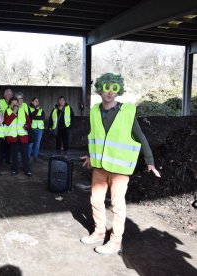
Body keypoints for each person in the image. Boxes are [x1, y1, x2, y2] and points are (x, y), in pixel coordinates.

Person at [80, 73, 161, 255]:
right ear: (100, 89)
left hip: (119, 169)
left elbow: (140, 136)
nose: (110, 92)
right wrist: (90, 156)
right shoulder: (94, 111)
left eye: (114, 88)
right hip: (100, 166)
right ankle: (100, 232)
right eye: (106, 88)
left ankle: (116, 241)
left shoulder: (127, 111)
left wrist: (150, 161)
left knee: (117, 204)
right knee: (96, 200)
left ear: (119, 90)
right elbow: (95, 136)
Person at [4, 97, 32, 176]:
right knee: (14, 155)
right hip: (13, 137)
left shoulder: (23, 110)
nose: (16, 105)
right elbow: (7, 122)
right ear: (10, 104)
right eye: (13, 103)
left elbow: (29, 121)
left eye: (16, 103)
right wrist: (14, 112)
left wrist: (26, 126)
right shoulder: (8, 111)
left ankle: (27, 170)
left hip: (23, 136)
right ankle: (14, 169)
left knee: (25, 155)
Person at [28, 97, 45, 161]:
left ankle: (35, 157)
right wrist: (36, 110)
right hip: (32, 129)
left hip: (40, 129)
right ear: (32, 102)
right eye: (36, 101)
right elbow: (31, 116)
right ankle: (28, 157)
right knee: (30, 144)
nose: (37, 102)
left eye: (38, 101)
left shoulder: (41, 109)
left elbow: (42, 117)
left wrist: (35, 117)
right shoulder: (29, 108)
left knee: (37, 144)